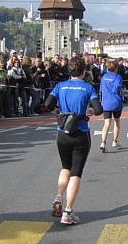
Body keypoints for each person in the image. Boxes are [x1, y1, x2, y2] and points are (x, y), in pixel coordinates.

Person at [45, 57, 102, 225]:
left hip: (62, 133)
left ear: (69, 71)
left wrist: (59, 112)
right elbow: (98, 109)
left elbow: (47, 104)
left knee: (65, 167)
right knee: (76, 172)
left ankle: (58, 196)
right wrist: (88, 112)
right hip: (80, 132)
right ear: (84, 71)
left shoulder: (60, 86)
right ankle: (67, 212)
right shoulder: (87, 87)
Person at [99, 60, 125, 153]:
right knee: (117, 121)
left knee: (106, 124)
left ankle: (103, 142)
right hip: (116, 102)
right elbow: (117, 88)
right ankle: (114, 141)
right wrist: (123, 91)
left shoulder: (104, 77)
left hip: (106, 102)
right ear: (116, 68)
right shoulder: (118, 77)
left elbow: (101, 89)